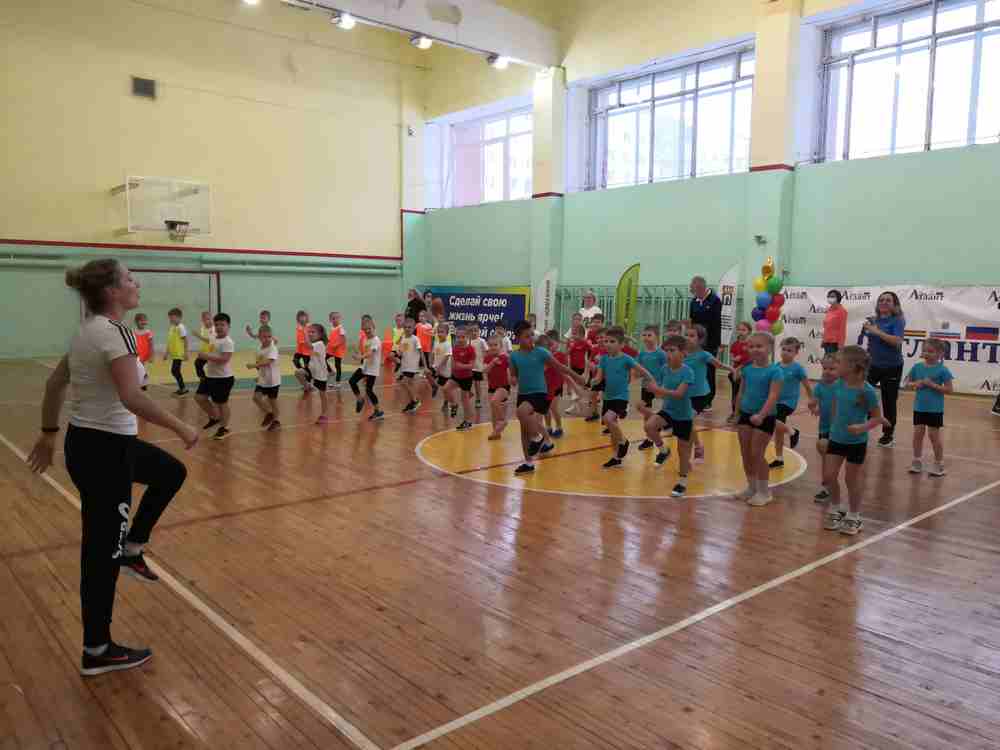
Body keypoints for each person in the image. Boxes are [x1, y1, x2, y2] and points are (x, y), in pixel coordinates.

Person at [27, 259, 197, 676]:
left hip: (94, 443)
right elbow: (131, 397)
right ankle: (97, 649)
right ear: (111, 291)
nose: (137, 283)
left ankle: (133, 548)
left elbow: (54, 384)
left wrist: (48, 434)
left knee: (170, 473)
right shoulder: (115, 332)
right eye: (129, 279)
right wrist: (180, 426)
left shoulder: (86, 331)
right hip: (106, 453)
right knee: (101, 553)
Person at [823, 346, 886, 536]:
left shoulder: (867, 391)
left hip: (856, 443)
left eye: (839, 362)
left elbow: (877, 418)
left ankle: (854, 515)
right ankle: (836, 508)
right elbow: (835, 407)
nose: (835, 365)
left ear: (851, 366)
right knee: (829, 476)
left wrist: (862, 427)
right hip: (836, 439)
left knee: (851, 480)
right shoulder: (838, 385)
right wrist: (831, 428)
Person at [509, 321, 583, 475]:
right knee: (524, 430)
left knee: (521, 412)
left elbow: (560, 367)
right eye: (527, 336)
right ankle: (528, 463)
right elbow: (514, 374)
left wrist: (577, 377)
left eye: (532, 335)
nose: (531, 338)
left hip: (539, 394)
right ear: (517, 338)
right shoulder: (514, 356)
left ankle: (538, 437)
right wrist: (513, 379)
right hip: (523, 394)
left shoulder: (541, 352)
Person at [591, 326, 658, 469]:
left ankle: (624, 441)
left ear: (621, 344)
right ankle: (616, 457)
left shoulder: (626, 359)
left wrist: (653, 382)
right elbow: (599, 377)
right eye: (606, 341)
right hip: (608, 397)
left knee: (608, 419)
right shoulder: (604, 359)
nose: (608, 344)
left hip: (621, 397)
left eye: (612, 341)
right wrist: (593, 381)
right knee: (612, 429)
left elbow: (644, 372)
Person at [735, 331, 783, 507]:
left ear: (770, 348)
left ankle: (764, 492)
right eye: (751, 346)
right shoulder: (747, 370)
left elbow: (773, 396)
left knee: (757, 453)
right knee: (745, 453)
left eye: (759, 346)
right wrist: (736, 413)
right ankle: (751, 487)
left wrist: (761, 415)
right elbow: (741, 393)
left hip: (765, 417)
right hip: (745, 415)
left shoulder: (775, 371)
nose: (754, 349)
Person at [642, 334, 695, 496]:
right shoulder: (664, 369)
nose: (668, 354)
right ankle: (663, 450)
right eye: (666, 351)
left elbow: (679, 394)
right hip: (668, 411)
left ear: (683, 353)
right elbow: (660, 391)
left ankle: (682, 481)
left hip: (684, 416)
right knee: (649, 426)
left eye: (672, 350)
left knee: (683, 451)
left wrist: (658, 390)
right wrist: (653, 391)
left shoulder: (688, 372)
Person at [905, 338, 953, 477]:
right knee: (917, 434)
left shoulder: (943, 370)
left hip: (935, 409)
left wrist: (932, 385)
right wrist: (916, 384)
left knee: (933, 436)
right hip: (919, 407)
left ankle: (939, 464)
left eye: (930, 351)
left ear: (940, 353)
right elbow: (906, 383)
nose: (926, 353)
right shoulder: (917, 367)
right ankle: (916, 461)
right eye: (924, 350)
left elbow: (949, 390)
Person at [684, 324, 733, 462]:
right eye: (686, 335)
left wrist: (733, 370)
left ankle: (696, 449)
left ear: (700, 340)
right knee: (686, 422)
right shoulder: (681, 353)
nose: (688, 338)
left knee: (688, 420)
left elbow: (719, 365)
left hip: (701, 395)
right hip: (685, 394)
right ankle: (697, 447)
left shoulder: (703, 355)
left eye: (692, 336)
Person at [862, 291, 905, 447]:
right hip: (872, 366)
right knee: (863, 397)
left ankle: (888, 436)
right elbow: (871, 343)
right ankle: (861, 430)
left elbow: (897, 341)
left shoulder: (898, 320)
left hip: (892, 367)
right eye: (881, 300)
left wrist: (876, 331)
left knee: (889, 401)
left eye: (888, 300)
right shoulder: (873, 320)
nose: (884, 302)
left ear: (894, 304)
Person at [770, 337, 815, 469]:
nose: (785, 352)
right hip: (775, 401)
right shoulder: (776, 366)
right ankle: (779, 458)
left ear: (796, 353)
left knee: (772, 421)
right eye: (783, 349)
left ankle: (792, 431)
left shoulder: (798, 369)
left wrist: (812, 400)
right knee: (778, 430)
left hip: (788, 403)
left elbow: (807, 386)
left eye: (789, 350)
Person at [194, 313, 236, 441]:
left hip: (223, 379)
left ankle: (225, 427)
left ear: (228, 326)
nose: (219, 327)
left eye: (222, 325)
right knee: (199, 397)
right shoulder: (213, 337)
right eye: (216, 324)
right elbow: (211, 346)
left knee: (221, 403)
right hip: (210, 376)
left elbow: (224, 359)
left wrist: (206, 356)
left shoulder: (228, 342)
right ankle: (215, 417)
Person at [688, 276, 723, 411]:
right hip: (697, 341)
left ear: (700, 287)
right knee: (697, 369)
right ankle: (695, 397)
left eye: (693, 288)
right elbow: (693, 321)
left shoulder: (715, 301)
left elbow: (716, 324)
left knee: (709, 371)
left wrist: (717, 344)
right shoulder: (693, 302)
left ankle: (708, 400)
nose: (692, 291)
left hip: (710, 342)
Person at [812, 355, 838, 501]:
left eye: (832, 369)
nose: (827, 371)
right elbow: (814, 401)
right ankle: (826, 487)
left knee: (835, 460)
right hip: (825, 428)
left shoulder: (843, 385)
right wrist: (814, 406)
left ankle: (833, 486)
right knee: (826, 457)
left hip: (840, 429)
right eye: (825, 368)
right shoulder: (820, 386)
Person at [636, 325, 668, 442]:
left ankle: (660, 423)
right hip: (646, 386)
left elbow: (666, 370)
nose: (646, 337)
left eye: (649, 335)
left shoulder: (661, 354)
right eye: (644, 335)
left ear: (657, 337)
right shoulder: (642, 354)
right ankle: (649, 438)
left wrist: (663, 385)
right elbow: (638, 369)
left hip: (658, 386)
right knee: (644, 410)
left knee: (662, 408)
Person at [247, 324, 282, 430]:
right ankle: (269, 413)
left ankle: (276, 421)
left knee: (273, 401)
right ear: (259, 337)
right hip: (263, 380)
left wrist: (254, 365)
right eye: (264, 337)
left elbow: (268, 361)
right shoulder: (258, 349)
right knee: (256, 398)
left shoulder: (273, 348)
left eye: (269, 336)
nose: (267, 339)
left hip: (272, 380)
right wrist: (258, 374)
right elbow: (260, 362)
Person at [349, 317, 384, 421]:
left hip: (372, 369)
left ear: (374, 327)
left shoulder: (376, 340)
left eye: (369, 328)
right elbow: (365, 353)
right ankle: (360, 399)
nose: (367, 331)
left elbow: (370, 353)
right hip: (364, 367)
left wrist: (360, 357)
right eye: (365, 329)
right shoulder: (365, 340)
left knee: (369, 390)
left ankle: (378, 411)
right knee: (352, 381)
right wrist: (358, 354)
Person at [448, 327, 476, 430]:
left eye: (463, 337)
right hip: (455, 376)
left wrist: (461, 366)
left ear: (467, 337)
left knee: (465, 400)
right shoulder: (455, 348)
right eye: (458, 337)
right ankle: (454, 404)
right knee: (445, 389)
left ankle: (467, 421)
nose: (460, 339)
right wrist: (454, 368)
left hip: (466, 378)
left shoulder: (470, 349)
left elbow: (471, 365)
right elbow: (454, 363)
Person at [541, 331, 568, 438]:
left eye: (552, 344)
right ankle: (548, 427)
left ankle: (559, 427)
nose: (550, 347)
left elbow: (561, 368)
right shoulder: (544, 355)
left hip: (556, 385)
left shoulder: (560, 355)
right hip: (545, 386)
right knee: (545, 408)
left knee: (553, 407)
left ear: (558, 343)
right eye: (548, 345)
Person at [484, 334, 511, 440]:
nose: (493, 347)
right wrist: (492, 362)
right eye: (490, 345)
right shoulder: (487, 357)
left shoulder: (505, 357)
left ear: (500, 346)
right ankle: (496, 432)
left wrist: (512, 380)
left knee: (494, 401)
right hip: (492, 387)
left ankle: (503, 420)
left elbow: (512, 370)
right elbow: (485, 370)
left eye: (495, 345)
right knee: (493, 412)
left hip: (503, 386)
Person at [397, 317, 424, 414]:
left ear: (413, 328)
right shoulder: (403, 339)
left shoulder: (415, 339)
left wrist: (425, 366)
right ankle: (411, 402)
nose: (407, 329)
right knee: (409, 385)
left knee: (404, 382)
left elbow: (421, 352)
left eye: (409, 327)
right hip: (405, 366)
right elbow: (401, 352)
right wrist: (399, 353)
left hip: (412, 367)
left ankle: (415, 401)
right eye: (405, 327)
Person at [727, 321, 752, 423]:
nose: (741, 332)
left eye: (743, 330)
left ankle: (743, 413)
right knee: (735, 394)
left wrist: (740, 367)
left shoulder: (750, 345)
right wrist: (734, 361)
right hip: (736, 372)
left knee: (743, 394)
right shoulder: (735, 344)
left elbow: (750, 359)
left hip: (745, 372)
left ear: (749, 331)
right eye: (739, 329)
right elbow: (732, 356)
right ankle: (734, 413)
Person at [164, 307, 188, 396]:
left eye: (172, 318)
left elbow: (185, 340)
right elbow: (170, 341)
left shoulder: (181, 327)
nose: (170, 319)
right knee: (175, 371)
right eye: (170, 318)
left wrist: (186, 352)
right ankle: (182, 388)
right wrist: (166, 353)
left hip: (179, 354)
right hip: (174, 354)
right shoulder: (172, 328)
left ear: (179, 317)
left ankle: (183, 388)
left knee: (175, 370)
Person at [430, 321, 453, 408]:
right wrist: (431, 363)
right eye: (438, 332)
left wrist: (439, 367)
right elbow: (433, 354)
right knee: (427, 373)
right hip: (436, 368)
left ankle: (446, 402)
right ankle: (434, 386)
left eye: (442, 332)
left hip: (445, 371)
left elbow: (446, 357)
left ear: (447, 334)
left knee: (444, 388)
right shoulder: (436, 343)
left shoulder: (448, 344)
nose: (440, 334)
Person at [192, 310, 215, 383]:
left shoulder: (214, 329)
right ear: (202, 320)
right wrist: (201, 350)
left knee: (213, 370)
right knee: (197, 364)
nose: (208, 321)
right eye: (205, 319)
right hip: (204, 352)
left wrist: (198, 336)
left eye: (209, 319)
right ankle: (203, 380)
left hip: (213, 353)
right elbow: (203, 342)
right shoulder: (203, 328)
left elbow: (209, 341)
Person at [133, 313, 154, 390]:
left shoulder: (148, 332)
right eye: (140, 320)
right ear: (136, 322)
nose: (143, 322)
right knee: (139, 369)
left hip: (145, 353)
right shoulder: (133, 332)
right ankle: (141, 383)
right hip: (137, 353)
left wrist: (151, 356)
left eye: (144, 320)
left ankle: (143, 384)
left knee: (142, 369)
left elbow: (151, 345)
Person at [469, 323, 488, 409]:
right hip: (469, 367)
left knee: (477, 384)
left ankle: (478, 400)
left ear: (479, 331)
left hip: (478, 367)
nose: (474, 332)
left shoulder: (481, 341)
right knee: (467, 382)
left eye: (476, 330)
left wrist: (484, 362)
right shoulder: (468, 341)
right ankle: (469, 393)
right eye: (472, 331)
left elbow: (487, 351)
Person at [822, 290, 847, 354]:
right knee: (827, 359)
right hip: (826, 341)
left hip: (834, 343)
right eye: (829, 296)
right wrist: (823, 340)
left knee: (832, 359)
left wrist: (841, 345)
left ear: (838, 298)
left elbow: (842, 329)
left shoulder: (842, 311)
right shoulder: (829, 310)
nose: (830, 298)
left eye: (832, 296)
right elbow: (826, 327)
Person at [326, 311, 346, 389]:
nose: (335, 320)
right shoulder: (331, 328)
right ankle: (331, 371)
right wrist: (327, 343)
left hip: (338, 350)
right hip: (331, 349)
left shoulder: (341, 328)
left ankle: (338, 382)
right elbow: (331, 338)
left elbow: (343, 339)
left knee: (337, 365)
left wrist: (336, 345)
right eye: (333, 318)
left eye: (337, 318)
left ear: (340, 318)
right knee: (323, 358)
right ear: (330, 320)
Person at [293, 311, 312, 388]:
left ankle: (308, 382)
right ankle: (304, 372)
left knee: (307, 366)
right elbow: (298, 336)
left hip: (307, 351)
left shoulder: (309, 327)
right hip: (299, 350)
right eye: (300, 317)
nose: (302, 318)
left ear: (306, 318)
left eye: (303, 317)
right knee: (295, 360)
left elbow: (311, 337)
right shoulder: (298, 327)